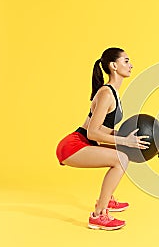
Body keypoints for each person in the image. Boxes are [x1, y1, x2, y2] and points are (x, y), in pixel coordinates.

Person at [56, 47, 150, 230]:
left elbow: (103, 130)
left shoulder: (113, 92)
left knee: (122, 154)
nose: (131, 65)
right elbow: (92, 133)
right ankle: (99, 214)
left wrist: (125, 137)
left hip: (84, 142)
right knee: (121, 158)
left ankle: (107, 198)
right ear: (114, 66)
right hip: (73, 145)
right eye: (126, 61)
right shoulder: (106, 93)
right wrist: (124, 141)